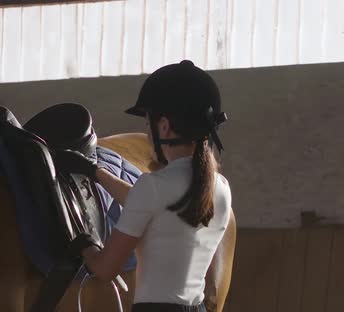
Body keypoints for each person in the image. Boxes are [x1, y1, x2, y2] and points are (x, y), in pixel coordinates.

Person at [55, 60, 232, 312]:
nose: (147, 133)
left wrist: (85, 242)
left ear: (164, 126)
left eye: (148, 124)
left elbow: (104, 269)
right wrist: (95, 172)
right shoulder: (221, 187)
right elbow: (158, 209)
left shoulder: (153, 187)